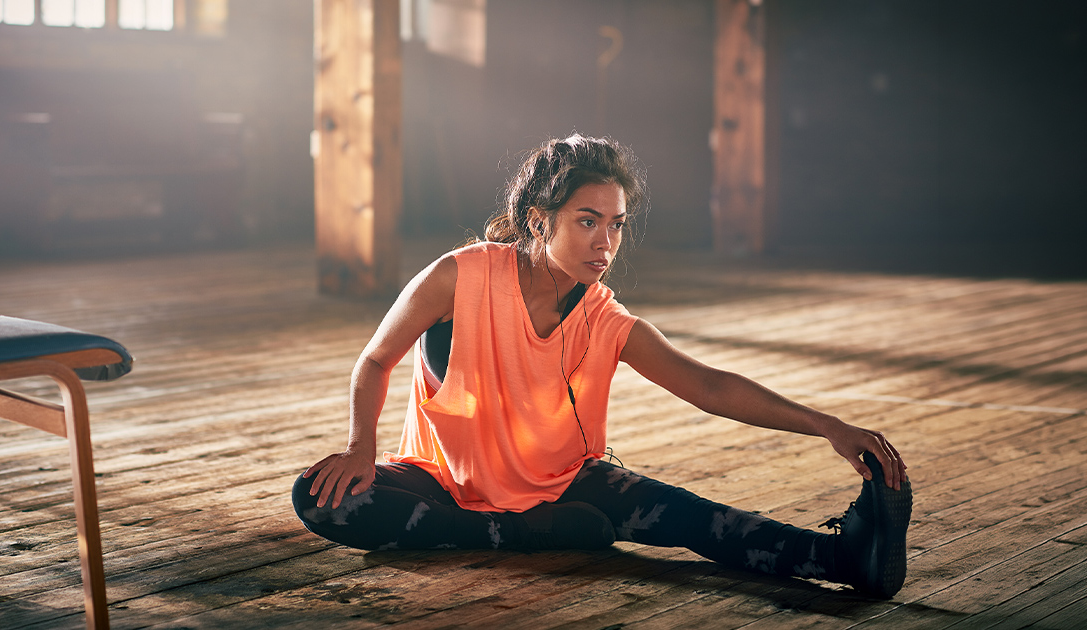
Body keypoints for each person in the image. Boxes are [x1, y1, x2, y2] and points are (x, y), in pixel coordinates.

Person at [292, 134, 912, 598]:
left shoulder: (605, 318)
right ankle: (513, 535)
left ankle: (844, 560)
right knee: (322, 499)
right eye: (587, 222)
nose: (605, 243)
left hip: (564, 489)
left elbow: (707, 385)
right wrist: (358, 447)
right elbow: (375, 360)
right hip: (440, 480)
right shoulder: (461, 275)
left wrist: (828, 425)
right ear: (540, 220)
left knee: (699, 520)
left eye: (615, 226)